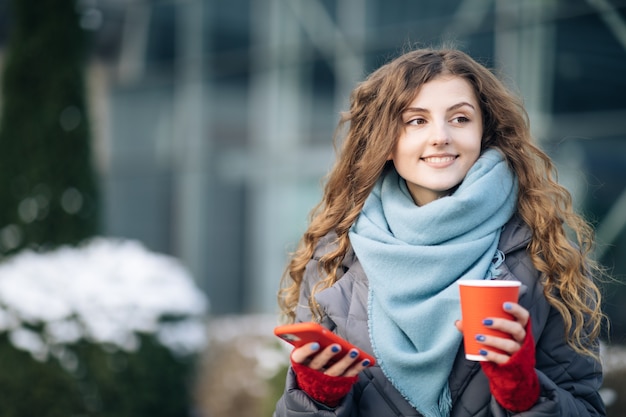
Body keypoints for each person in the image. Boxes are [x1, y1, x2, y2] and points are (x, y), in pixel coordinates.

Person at [273, 47, 606, 417]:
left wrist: (524, 394)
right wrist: (318, 399)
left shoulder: (545, 252)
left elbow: (587, 407)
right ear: (385, 142)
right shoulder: (335, 256)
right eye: (416, 121)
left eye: (460, 119)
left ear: (485, 132)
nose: (441, 137)